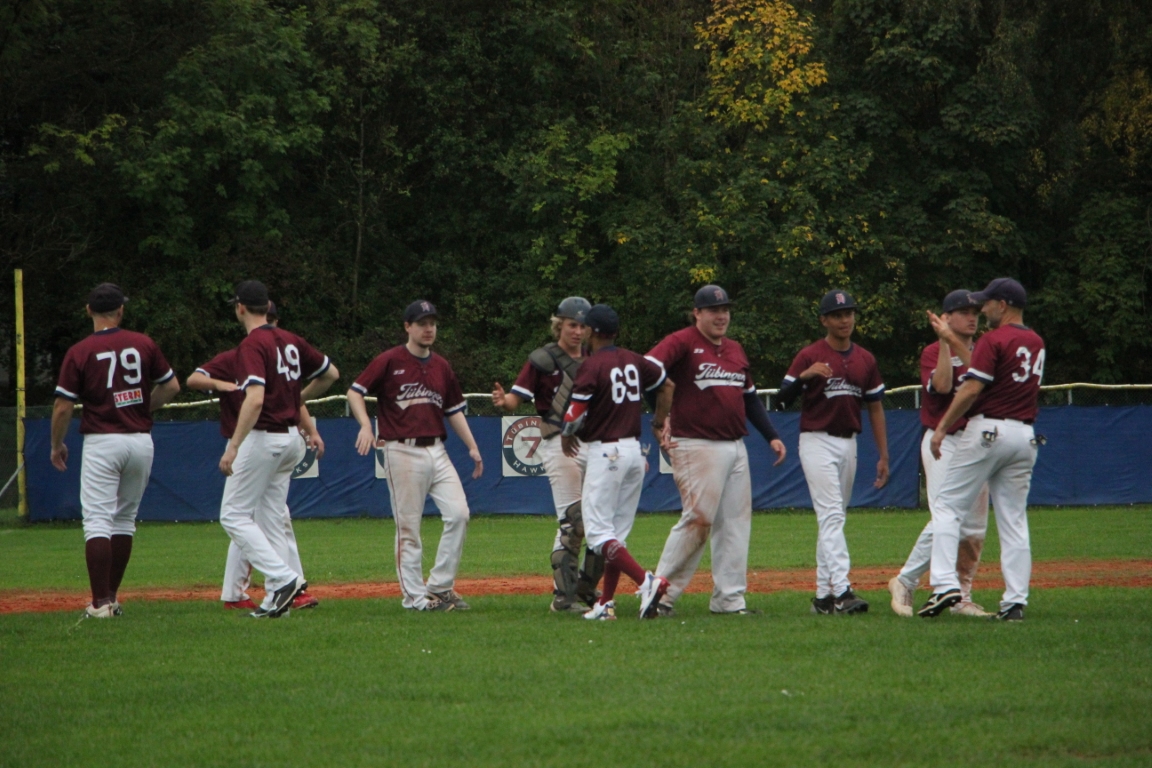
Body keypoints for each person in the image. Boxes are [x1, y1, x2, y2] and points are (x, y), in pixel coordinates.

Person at [647, 285, 786, 617]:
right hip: (696, 442)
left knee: (735, 523)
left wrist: (771, 436)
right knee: (698, 520)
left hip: (735, 445)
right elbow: (649, 370)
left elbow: (749, 397)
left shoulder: (735, 349)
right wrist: (661, 416)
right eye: (713, 310)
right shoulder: (682, 341)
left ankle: (729, 599)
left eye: (725, 309)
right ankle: (658, 595)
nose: (721, 315)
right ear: (697, 313)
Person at [50, 283, 181, 618]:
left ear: (88, 310)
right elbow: (171, 385)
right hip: (139, 440)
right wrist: (145, 409)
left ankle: (100, 603)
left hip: (103, 440)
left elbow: (64, 406)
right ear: (121, 310)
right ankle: (110, 597)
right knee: (124, 520)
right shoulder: (143, 343)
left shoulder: (80, 351)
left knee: (97, 521)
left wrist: (56, 444)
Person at [919, 278, 1045, 622]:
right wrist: (949, 340)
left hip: (989, 430)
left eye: (987, 303)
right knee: (1014, 520)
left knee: (946, 505)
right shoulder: (1035, 341)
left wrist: (942, 427)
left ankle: (944, 583)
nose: (982, 310)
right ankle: (1015, 601)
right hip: (1026, 435)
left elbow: (972, 387)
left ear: (1002, 305)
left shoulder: (993, 339)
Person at [348, 300, 483, 612]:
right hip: (401, 451)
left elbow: (453, 410)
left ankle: (439, 586)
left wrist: (472, 447)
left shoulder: (442, 366)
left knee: (459, 514)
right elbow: (355, 391)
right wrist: (366, 425)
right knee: (409, 528)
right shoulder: (390, 360)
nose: (429, 328)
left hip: (437, 449)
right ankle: (415, 599)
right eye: (422, 322)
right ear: (407, 326)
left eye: (432, 322)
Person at [188, 301, 322, 611]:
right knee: (252, 518)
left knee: (257, 518)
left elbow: (293, 400)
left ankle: (252, 591)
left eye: (274, 319)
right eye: (268, 318)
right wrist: (223, 385)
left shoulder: (272, 353)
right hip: (253, 440)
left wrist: (312, 430)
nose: (271, 325)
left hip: (265, 440)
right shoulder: (240, 354)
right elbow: (192, 379)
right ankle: (285, 583)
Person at [217, 281, 339, 618]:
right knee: (271, 518)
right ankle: (275, 601)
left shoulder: (252, 344)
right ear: (267, 306)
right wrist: (296, 399)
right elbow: (331, 374)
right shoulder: (290, 339)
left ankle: (284, 579)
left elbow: (254, 399)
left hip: (264, 436)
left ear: (240, 307)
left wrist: (233, 447)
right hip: (290, 439)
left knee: (233, 515)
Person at [560, 304, 674, 620]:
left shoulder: (592, 365)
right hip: (635, 452)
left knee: (598, 534)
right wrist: (659, 420)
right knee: (615, 535)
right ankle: (605, 604)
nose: (580, 332)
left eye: (583, 327)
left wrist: (565, 433)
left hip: (606, 451)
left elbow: (575, 411)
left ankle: (647, 582)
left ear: (591, 331)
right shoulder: (634, 360)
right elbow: (668, 385)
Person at [777, 289, 888, 615]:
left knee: (833, 519)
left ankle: (823, 597)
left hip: (848, 442)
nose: (845, 320)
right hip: (816, 440)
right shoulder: (810, 354)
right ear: (824, 320)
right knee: (831, 516)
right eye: (837, 315)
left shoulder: (865, 358)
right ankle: (843, 590)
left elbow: (876, 408)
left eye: (849, 313)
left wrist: (883, 455)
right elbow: (782, 399)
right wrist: (804, 377)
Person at [491, 296, 604, 613]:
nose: (578, 332)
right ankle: (562, 598)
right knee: (573, 520)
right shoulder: (543, 359)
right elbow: (517, 398)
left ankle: (585, 588)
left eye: (583, 326)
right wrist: (504, 402)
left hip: (591, 443)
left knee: (599, 517)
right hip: (557, 441)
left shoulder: (595, 358)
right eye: (572, 325)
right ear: (559, 325)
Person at [888, 290, 991, 618]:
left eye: (975, 310)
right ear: (946, 317)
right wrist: (945, 342)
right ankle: (906, 581)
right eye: (962, 311)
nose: (971, 317)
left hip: (977, 441)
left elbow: (986, 379)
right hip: (942, 441)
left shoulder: (986, 349)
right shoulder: (933, 351)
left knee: (973, 527)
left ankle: (961, 595)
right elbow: (944, 387)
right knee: (948, 515)